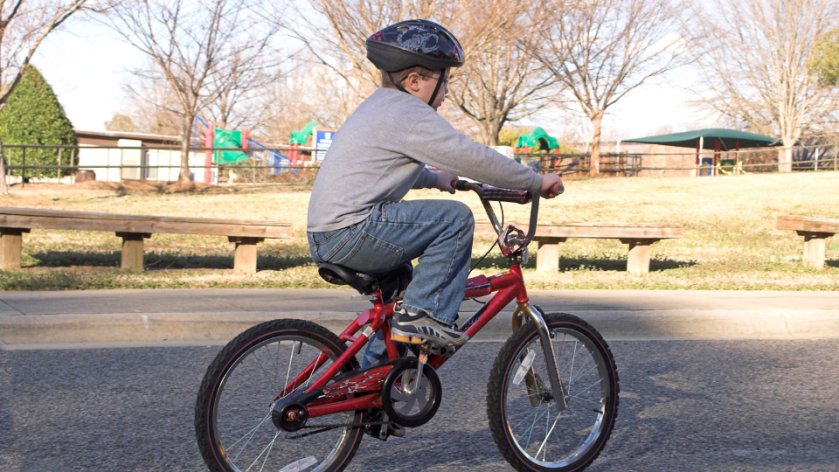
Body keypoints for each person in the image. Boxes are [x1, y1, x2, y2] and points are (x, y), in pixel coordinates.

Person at [307, 19, 563, 366]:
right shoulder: (409, 113)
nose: (445, 94)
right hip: (352, 231)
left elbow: (379, 170)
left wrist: (433, 178)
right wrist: (534, 181)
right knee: (454, 219)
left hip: (330, 233)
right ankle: (427, 320)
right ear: (414, 82)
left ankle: (369, 403)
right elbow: (471, 156)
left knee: (400, 305)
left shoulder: (379, 107)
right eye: (444, 82)